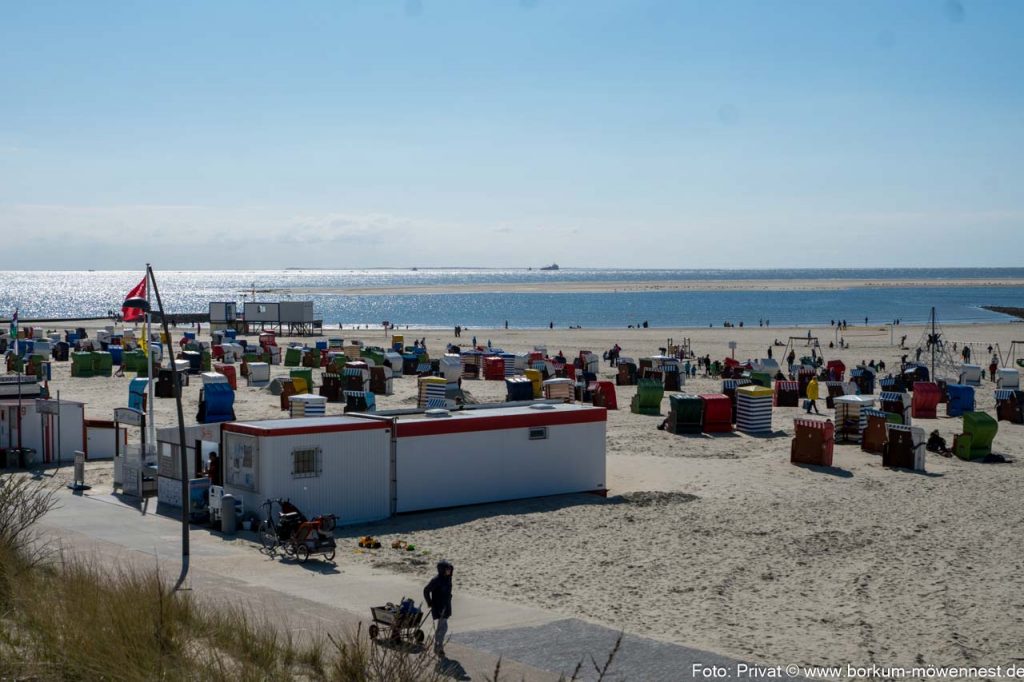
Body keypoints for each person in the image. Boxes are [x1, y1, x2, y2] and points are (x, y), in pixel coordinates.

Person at [424, 560, 454, 658]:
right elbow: (426, 590)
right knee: (443, 627)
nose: (449, 571)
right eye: (447, 569)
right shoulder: (436, 580)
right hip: (439, 606)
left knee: (442, 627)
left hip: (446, 605)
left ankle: (437, 646)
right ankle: (439, 647)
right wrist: (429, 602)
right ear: (442, 570)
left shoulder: (448, 578)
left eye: (450, 569)